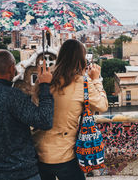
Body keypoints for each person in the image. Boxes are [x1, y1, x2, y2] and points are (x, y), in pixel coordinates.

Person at [0, 49, 54, 180]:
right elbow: (44, 120)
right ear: (12, 68)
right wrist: (45, 85)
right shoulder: (14, 97)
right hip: (24, 174)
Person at [34, 39, 108, 180]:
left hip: (39, 151)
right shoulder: (83, 82)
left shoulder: (45, 80)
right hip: (65, 154)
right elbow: (102, 105)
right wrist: (96, 80)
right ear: (81, 59)